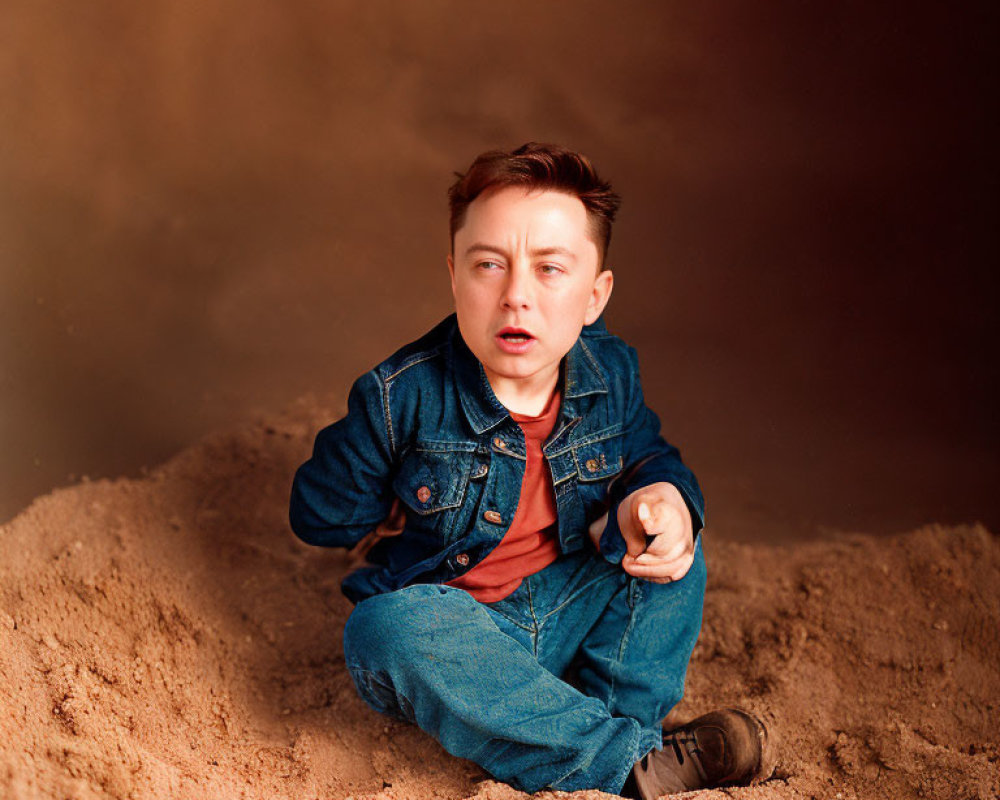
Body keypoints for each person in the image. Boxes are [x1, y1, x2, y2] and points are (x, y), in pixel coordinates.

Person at [289, 143, 776, 798]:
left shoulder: (609, 373)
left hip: (568, 604)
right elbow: (317, 519)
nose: (516, 295)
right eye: (489, 265)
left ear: (594, 295)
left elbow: (649, 455)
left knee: (675, 553)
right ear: (454, 277)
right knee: (383, 629)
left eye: (550, 270)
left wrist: (661, 498)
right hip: (464, 638)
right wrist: (372, 442)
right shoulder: (399, 395)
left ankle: (611, 731)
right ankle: (629, 764)